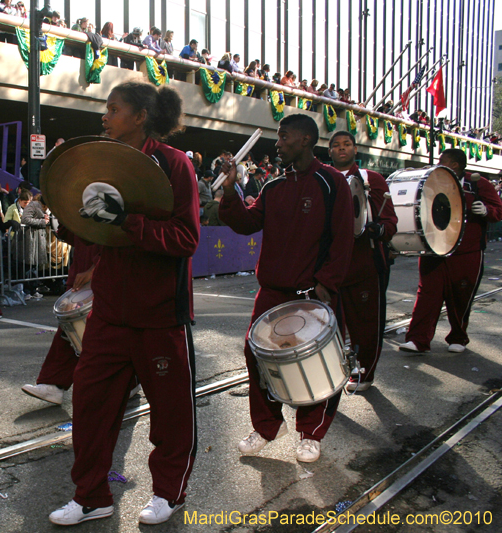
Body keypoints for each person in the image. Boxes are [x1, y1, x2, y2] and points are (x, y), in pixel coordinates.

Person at [49, 81, 199, 526]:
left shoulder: (174, 164)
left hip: (160, 315)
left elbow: (186, 238)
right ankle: (91, 496)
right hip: (110, 313)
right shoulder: (101, 161)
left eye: (114, 109)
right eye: (106, 109)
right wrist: (63, 200)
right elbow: (87, 231)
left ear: (141, 116)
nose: (105, 116)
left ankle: (169, 492)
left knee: (171, 416)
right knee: (90, 410)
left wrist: (128, 221)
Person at [218, 114, 353, 463]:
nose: (278, 144)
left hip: (312, 293)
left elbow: (343, 238)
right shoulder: (273, 187)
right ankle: (267, 427)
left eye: (284, 136)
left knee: (319, 362)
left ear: (305, 139)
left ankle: (311, 433)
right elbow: (246, 222)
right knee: (256, 356)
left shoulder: (331, 182)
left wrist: (327, 283)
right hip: (272, 293)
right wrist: (230, 190)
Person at [399, 149, 502, 354]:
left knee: (461, 295)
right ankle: (418, 339)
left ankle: (458, 337)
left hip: (466, 251)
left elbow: (498, 210)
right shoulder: (431, 180)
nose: (438, 164)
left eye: (442, 160)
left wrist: (487, 210)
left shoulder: (478, 184)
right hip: (434, 247)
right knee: (427, 294)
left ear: (454, 165)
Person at [328, 131, 398, 392]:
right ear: (329, 151)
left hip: (364, 263)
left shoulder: (372, 179)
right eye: (336, 145)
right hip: (329, 265)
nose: (341, 148)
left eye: (347, 144)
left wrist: (379, 230)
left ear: (355, 149)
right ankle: (330, 373)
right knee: (327, 323)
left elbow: (389, 221)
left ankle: (364, 370)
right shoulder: (322, 177)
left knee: (365, 324)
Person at [21, 226, 101, 404]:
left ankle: (129, 381)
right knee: (70, 331)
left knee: (104, 336)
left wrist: (94, 268)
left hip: (101, 274)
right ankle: (53, 384)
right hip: (84, 271)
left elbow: (117, 239)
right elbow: (75, 237)